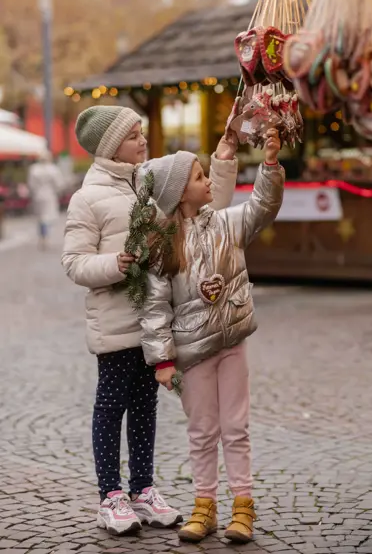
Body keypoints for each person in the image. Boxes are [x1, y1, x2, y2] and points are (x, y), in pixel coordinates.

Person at [61, 105, 239, 536]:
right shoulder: (88, 198)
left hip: (155, 326)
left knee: (145, 407)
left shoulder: (150, 180)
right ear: (110, 146)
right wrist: (116, 264)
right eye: (133, 135)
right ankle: (111, 496)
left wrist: (225, 159)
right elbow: (74, 262)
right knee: (111, 407)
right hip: (117, 324)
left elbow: (201, 196)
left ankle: (143, 489)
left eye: (142, 132)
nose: (143, 141)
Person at [140, 128, 284, 544]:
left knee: (235, 428)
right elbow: (154, 306)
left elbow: (263, 205)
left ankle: (243, 505)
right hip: (192, 353)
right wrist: (163, 360)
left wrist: (270, 163)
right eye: (200, 177)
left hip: (232, 343)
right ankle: (204, 506)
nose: (209, 182)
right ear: (180, 193)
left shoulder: (227, 223)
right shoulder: (163, 246)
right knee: (202, 430)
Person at [28, 150, 63, 249]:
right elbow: (59, 184)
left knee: (41, 218)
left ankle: (42, 236)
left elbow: (31, 184)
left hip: (38, 196)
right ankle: (46, 236)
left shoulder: (34, 169)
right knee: (48, 217)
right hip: (50, 196)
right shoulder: (53, 169)